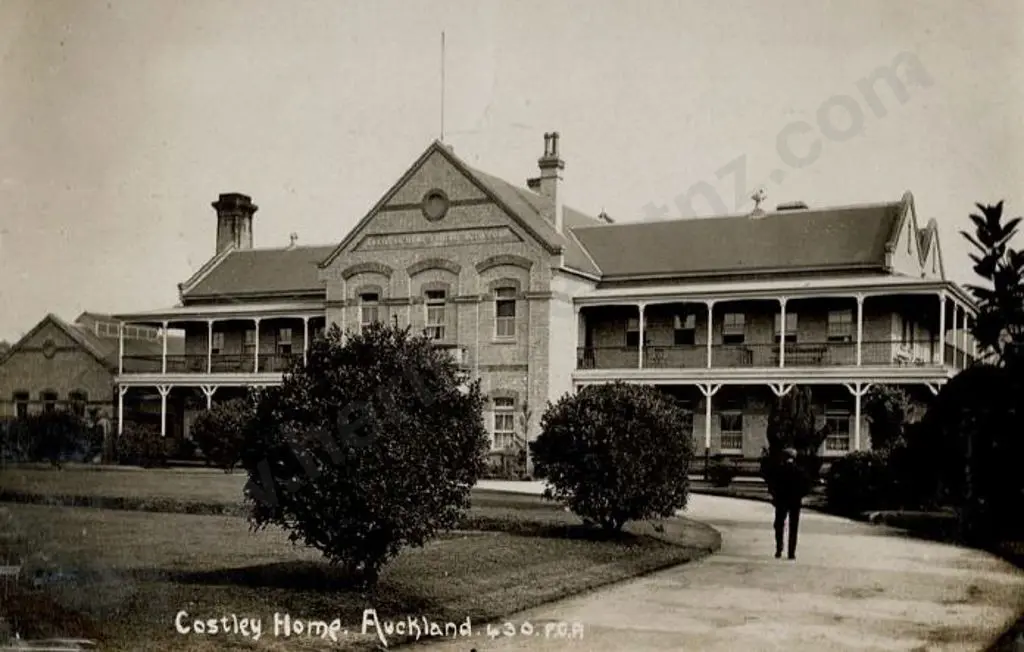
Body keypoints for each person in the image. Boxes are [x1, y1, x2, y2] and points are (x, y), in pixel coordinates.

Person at [767, 447, 810, 560]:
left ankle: (779, 548)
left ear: (784, 457)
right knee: (793, 527)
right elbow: (806, 487)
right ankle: (791, 552)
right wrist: (800, 496)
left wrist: (775, 496)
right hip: (795, 501)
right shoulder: (800, 470)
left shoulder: (779, 470)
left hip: (781, 500)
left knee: (779, 524)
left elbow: (772, 486)